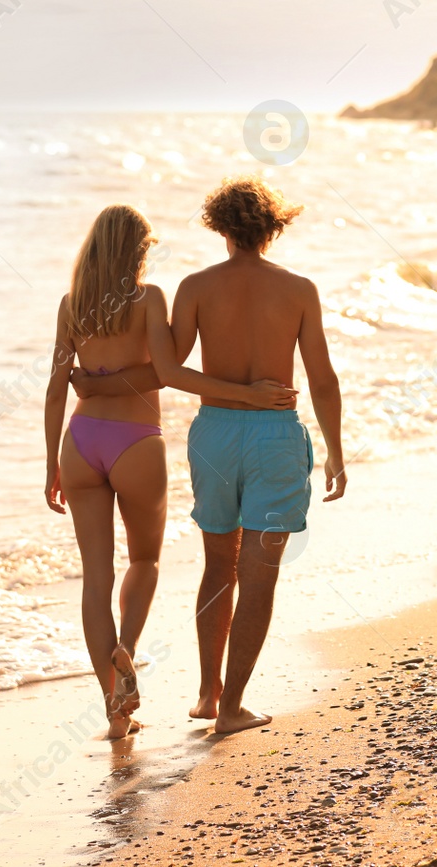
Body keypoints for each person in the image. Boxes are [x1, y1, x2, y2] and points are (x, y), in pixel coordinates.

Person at [74, 177, 346, 735]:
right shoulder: (299, 290)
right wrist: (336, 453)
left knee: (218, 565)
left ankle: (205, 693)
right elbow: (322, 379)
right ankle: (231, 708)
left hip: (215, 435)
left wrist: (95, 386)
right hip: (273, 435)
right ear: (273, 227)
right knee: (260, 575)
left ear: (219, 227)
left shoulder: (194, 287)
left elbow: (168, 372)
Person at [43, 204, 297, 740]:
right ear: (138, 250)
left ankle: (116, 710)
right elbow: (169, 374)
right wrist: (247, 395)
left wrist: (51, 464)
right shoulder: (150, 299)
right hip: (135, 443)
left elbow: (55, 387)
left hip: (79, 442)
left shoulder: (71, 306)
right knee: (145, 559)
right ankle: (128, 649)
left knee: (96, 578)